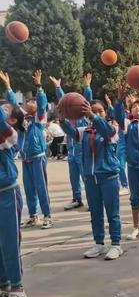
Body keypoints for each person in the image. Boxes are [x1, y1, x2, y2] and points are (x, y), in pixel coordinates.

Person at [60, 98, 123, 260]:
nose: (96, 114)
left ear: (105, 113)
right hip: (90, 178)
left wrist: (92, 115)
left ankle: (116, 244)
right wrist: (62, 119)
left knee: (112, 213)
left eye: (99, 111)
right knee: (95, 213)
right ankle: (99, 243)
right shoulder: (85, 131)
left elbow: (107, 131)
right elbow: (71, 131)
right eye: (93, 111)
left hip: (109, 177)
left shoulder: (112, 129)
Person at [0, 70, 52, 229]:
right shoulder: (23, 118)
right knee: (29, 189)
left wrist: (39, 86)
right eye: (29, 101)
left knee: (41, 188)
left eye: (33, 101)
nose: (30, 102)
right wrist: (8, 86)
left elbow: (42, 104)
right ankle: (33, 216)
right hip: (26, 158)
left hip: (38, 157)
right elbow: (13, 106)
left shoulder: (39, 118)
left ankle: (47, 216)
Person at [114, 88, 139, 240]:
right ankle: (136, 227)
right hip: (132, 167)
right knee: (135, 197)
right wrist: (119, 101)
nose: (137, 107)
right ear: (130, 110)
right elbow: (118, 116)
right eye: (134, 106)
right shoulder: (127, 124)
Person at [50, 74, 92, 210]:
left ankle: (92, 200)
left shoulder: (83, 118)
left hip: (82, 151)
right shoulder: (67, 118)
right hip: (72, 152)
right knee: (73, 177)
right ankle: (77, 199)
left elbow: (86, 102)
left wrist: (87, 87)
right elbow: (64, 101)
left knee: (86, 177)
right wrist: (58, 87)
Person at [0, 103, 27, 297]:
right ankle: (3, 286)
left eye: (7, 109)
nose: (4, 107)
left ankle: (17, 289)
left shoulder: (10, 136)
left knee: (9, 243)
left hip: (7, 193)